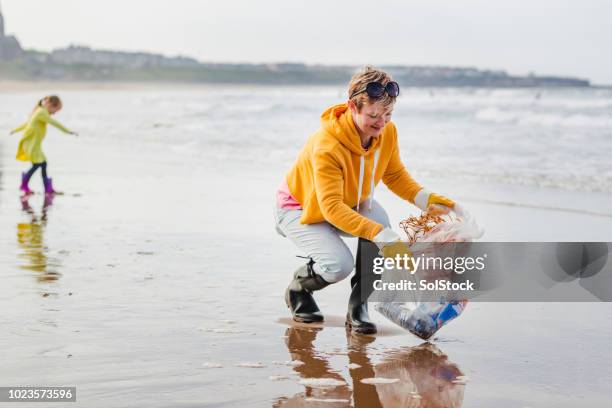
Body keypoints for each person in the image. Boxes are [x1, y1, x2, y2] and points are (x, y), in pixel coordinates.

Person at [274, 66, 456, 335]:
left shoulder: (386, 132)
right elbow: (331, 208)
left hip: (346, 203)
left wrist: (427, 199)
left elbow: (393, 174)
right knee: (340, 266)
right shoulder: (327, 145)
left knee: (380, 222)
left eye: (388, 114)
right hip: (298, 208)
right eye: (373, 115)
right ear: (352, 107)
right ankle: (299, 289)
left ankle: (359, 307)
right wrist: (383, 237)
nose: (381, 122)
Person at [10, 95, 78, 196]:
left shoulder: (40, 111)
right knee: (39, 164)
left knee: (42, 164)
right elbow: (54, 123)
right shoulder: (42, 112)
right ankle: (27, 184)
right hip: (31, 144)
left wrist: (14, 130)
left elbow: (27, 124)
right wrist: (68, 131)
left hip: (34, 144)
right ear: (50, 105)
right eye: (55, 110)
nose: (54, 113)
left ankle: (46, 188)